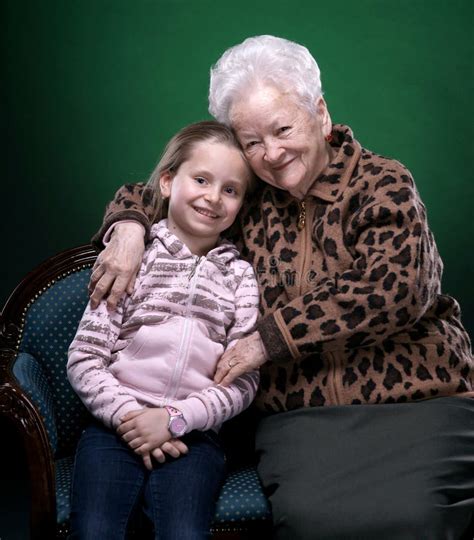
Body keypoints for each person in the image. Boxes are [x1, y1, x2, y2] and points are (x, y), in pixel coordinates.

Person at [88, 36, 474, 539]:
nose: (270, 154)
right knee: (316, 521)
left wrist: (267, 339)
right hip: (304, 413)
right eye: (251, 142)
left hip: (419, 398)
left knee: (417, 517)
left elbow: (394, 288)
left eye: (282, 129)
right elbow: (151, 190)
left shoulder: (383, 183)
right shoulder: (246, 199)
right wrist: (129, 228)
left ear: (320, 112)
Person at [67, 120, 261, 540]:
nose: (213, 197)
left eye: (230, 190)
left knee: (185, 534)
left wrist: (174, 420)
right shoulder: (132, 258)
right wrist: (132, 418)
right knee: (95, 531)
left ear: (241, 204)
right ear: (169, 182)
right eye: (201, 179)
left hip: (193, 436)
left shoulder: (240, 278)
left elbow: (242, 381)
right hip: (113, 428)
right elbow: (85, 357)